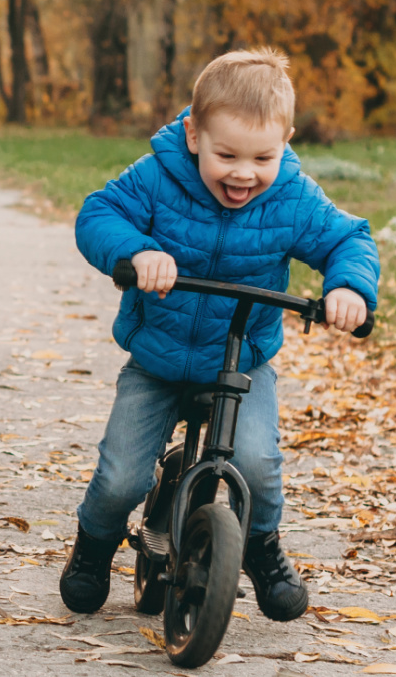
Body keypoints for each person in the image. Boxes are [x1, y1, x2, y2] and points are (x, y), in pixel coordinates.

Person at [63, 49, 379, 621]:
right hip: (158, 358)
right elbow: (97, 214)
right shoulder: (158, 178)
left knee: (257, 465)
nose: (244, 173)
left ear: (286, 141)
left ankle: (259, 545)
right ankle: (94, 544)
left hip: (243, 361)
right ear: (193, 135)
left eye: (264, 156)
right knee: (120, 477)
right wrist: (136, 250)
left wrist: (349, 288)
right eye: (226, 154)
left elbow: (348, 239)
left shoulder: (292, 196)